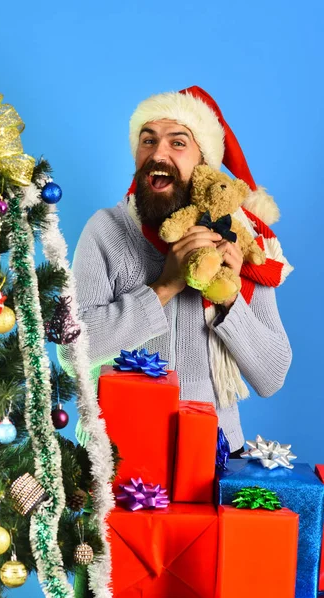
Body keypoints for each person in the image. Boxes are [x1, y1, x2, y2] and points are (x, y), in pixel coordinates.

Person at [58, 86, 292, 456]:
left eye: (177, 143)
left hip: (214, 455)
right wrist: (164, 286)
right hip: (118, 457)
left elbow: (272, 375)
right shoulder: (104, 230)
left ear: (204, 165)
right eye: (147, 140)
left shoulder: (242, 242)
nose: (158, 154)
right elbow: (72, 353)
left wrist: (230, 299)